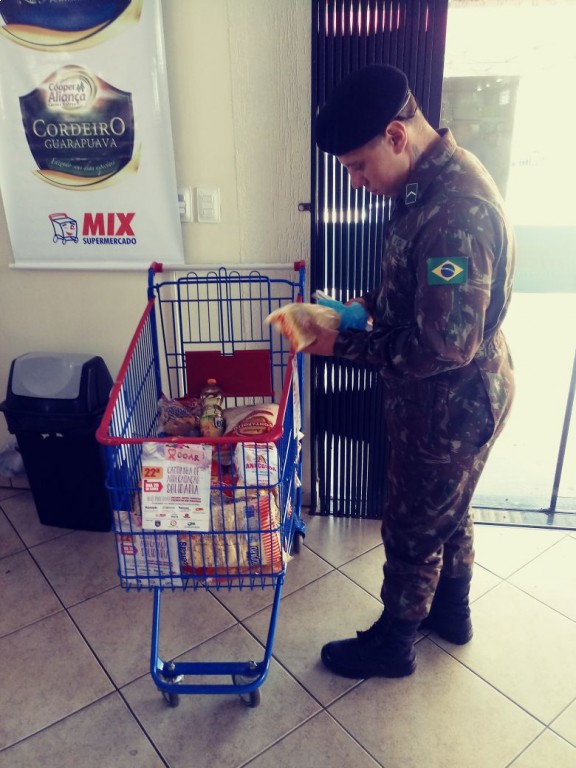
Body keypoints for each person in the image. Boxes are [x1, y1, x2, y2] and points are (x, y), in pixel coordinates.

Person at [304, 64, 515, 679]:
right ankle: (450, 613)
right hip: (450, 396)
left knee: (413, 525)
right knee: (449, 510)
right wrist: (359, 309)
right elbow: (415, 286)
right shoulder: (428, 184)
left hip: (451, 401)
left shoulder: (455, 212)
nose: (356, 180)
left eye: (358, 166)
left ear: (396, 136)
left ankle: (393, 643)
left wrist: (340, 345)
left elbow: (443, 346)